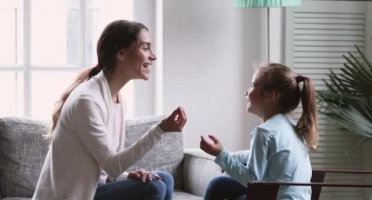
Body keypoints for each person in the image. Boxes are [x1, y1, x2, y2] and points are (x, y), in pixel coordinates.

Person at [33, 20, 187, 200]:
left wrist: (128, 176)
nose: (153, 56)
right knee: (154, 188)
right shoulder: (86, 101)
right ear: (121, 53)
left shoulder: (116, 98)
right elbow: (112, 165)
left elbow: (105, 168)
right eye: (145, 48)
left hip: (93, 189)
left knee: (164, 179)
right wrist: (160, 130)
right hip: (71, 196)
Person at [200, 63, 318, 200]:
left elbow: (253, 180)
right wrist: (232, 156)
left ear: (270, 95)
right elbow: (267, 155)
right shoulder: (292, 127)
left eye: (252, 86)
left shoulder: (264, 132)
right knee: (225, 188)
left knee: (220, 187)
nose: (247, 91)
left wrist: (222, 155)